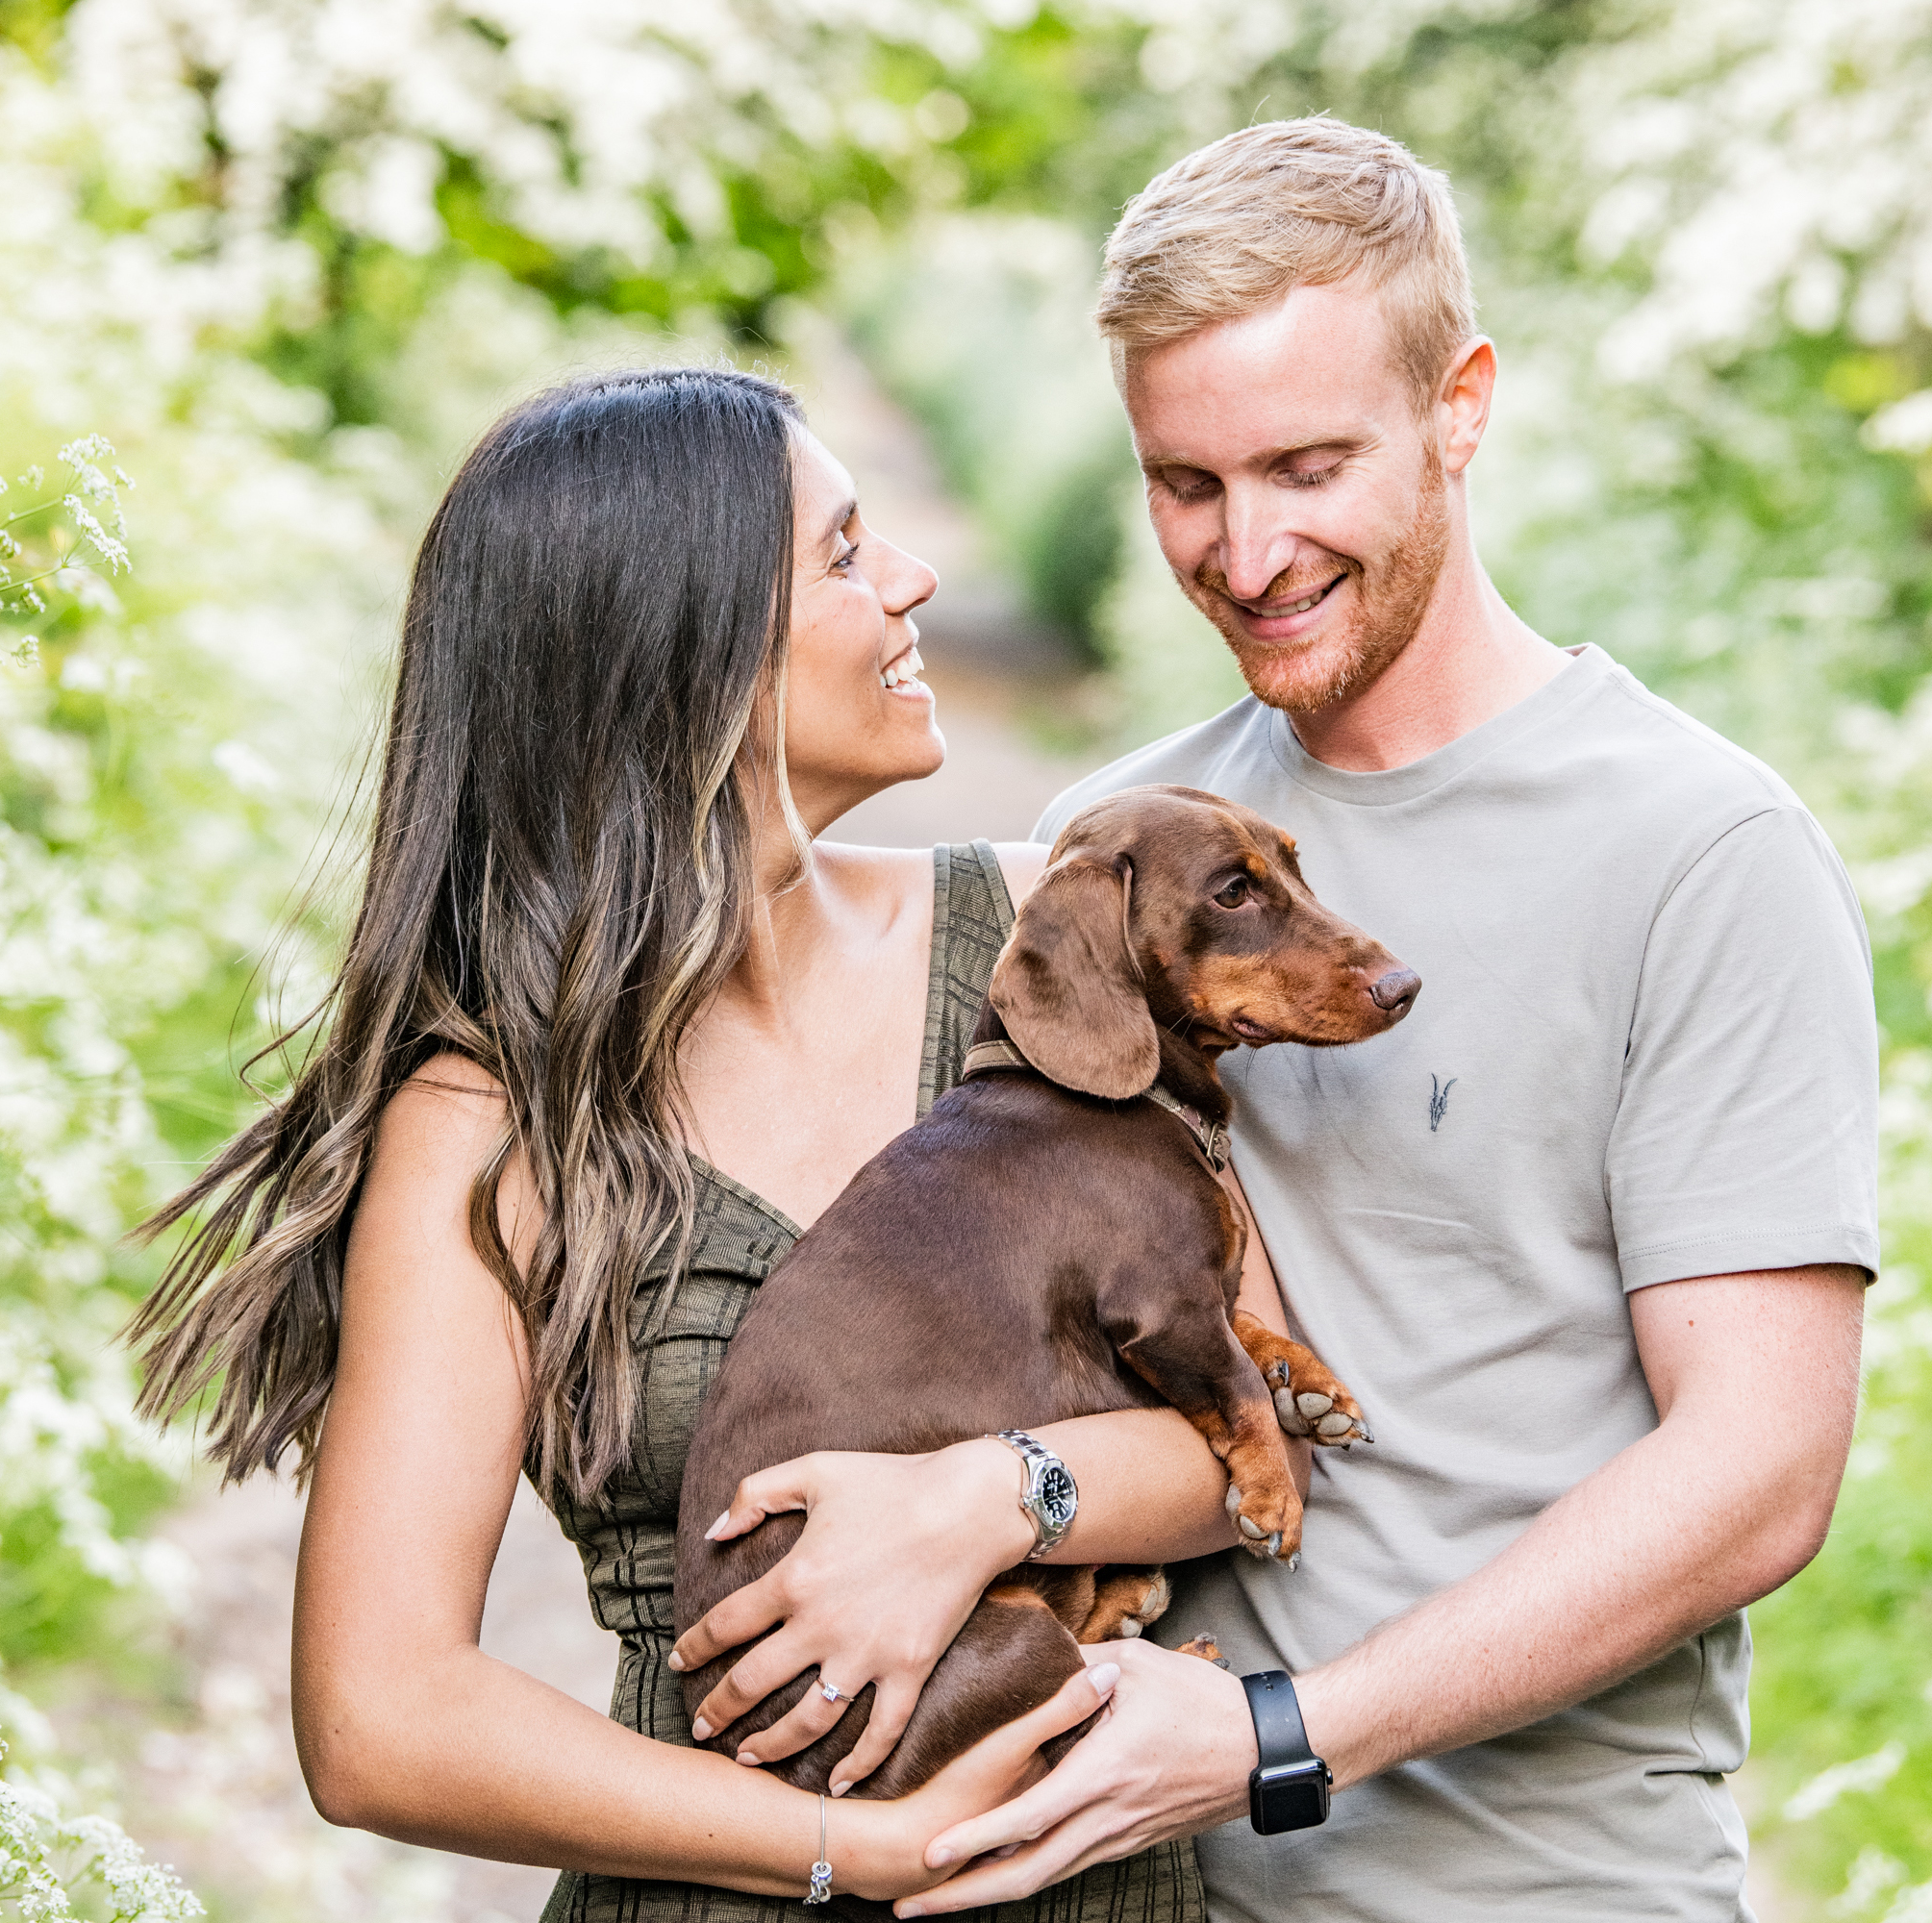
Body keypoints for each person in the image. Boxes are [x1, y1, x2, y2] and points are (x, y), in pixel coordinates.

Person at [125, 366, 1319, 1922]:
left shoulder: (1048, 941)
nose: (913, 579)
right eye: (840, 554)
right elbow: (378, 1719)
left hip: (1096, 1880)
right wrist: (862, 1852)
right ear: (679, 655)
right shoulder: (489, 1130)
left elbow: (1249, 1428)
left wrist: (994, 1497)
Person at [866, 115, 1879, 1922]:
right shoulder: (1120, 841)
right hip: (1124, 1882)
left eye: (1307, 465)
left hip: (1540, 1886)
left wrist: (1282, 1731)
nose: (1246, 553)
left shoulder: (1702, 850)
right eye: (1186, 483)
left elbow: (1756, 1473)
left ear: (1461, 406)